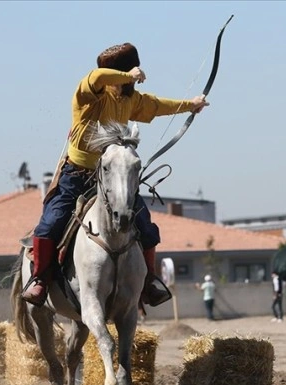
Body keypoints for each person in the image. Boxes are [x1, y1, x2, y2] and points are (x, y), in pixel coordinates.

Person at [22, 43, 209, 307]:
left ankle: (149, 280)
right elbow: (96, 77)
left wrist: (190, 105)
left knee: (144, 222)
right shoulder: (89, 96)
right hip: (75, 176)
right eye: (118, 74)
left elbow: (156, 106)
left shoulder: (130, 101)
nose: (110, 78)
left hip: (111, 181)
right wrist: (128, 76)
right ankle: (40, 280)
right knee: (49, 224)